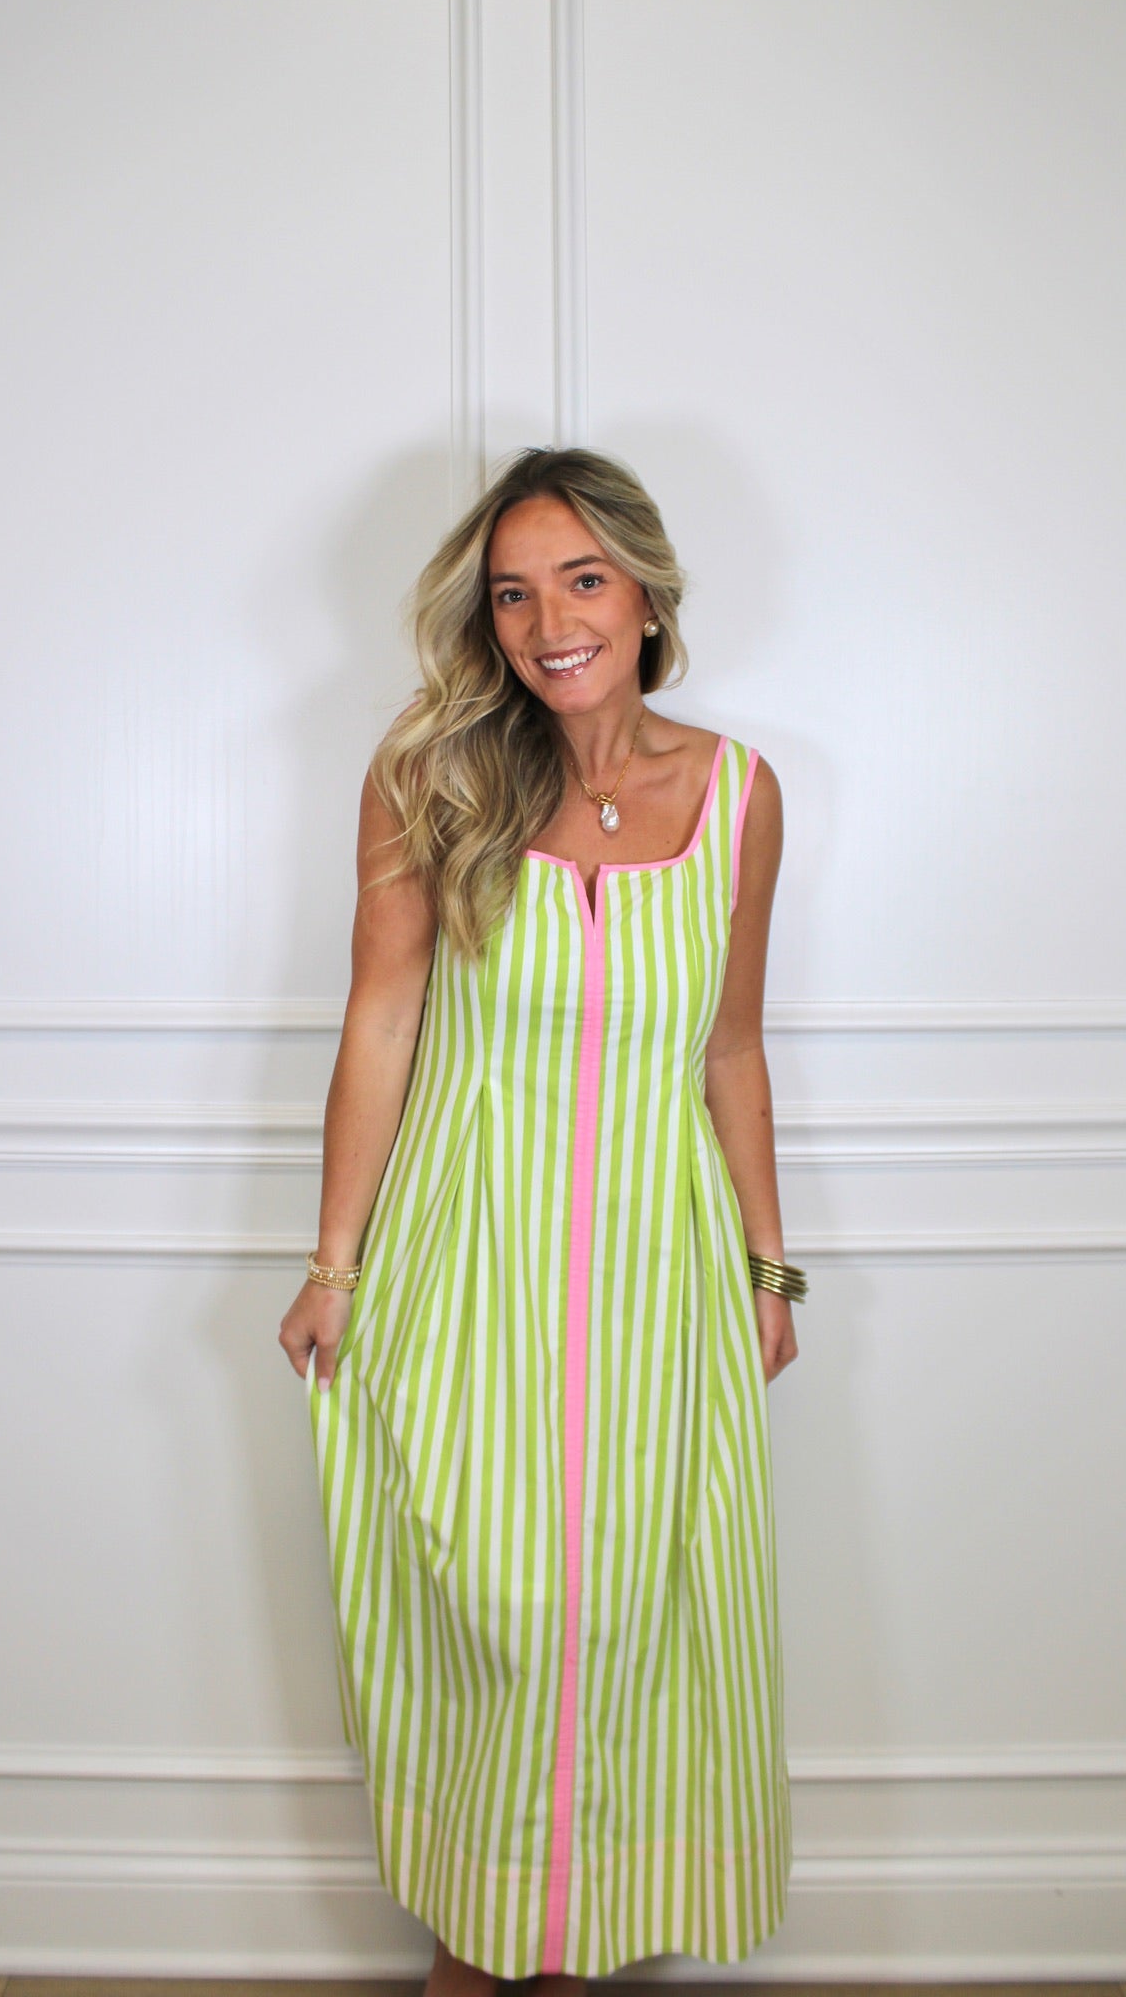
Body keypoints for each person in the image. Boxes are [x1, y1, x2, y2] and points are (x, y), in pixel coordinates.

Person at [278, 445, 802, 1992]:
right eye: (514, 594)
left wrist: (770, 1269)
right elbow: (382, 1020)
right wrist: (332, 1265)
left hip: (658, 1283)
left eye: (582, 581)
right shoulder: (431, 775)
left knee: (623, 1628)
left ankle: (532, 1953)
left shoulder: (740, 796)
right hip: (467, 1264)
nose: (550, 623)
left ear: (647, 597)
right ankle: (489, 1951)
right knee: (506, 1617)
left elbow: (732, 1049)